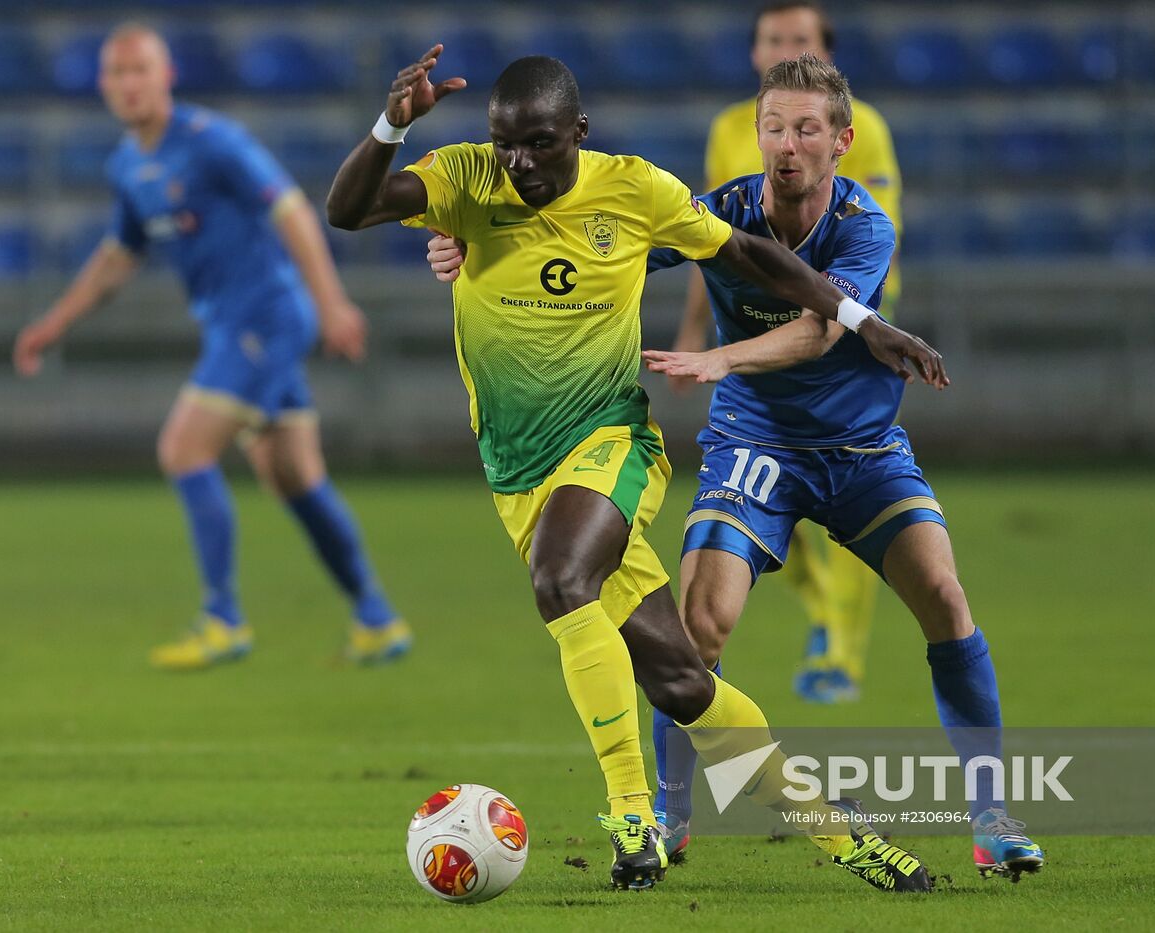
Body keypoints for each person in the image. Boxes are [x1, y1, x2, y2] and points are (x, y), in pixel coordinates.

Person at [328, 46, 944, 892]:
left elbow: (750, 257)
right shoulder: (467, 179)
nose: (522, 163)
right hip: (517, 472)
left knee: (560, 577)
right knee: (684, 681)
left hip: (609, 441)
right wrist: (393, 123)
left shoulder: (636, 190)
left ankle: (631, 814)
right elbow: (348, 207)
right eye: (507, 143)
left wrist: (856, 316)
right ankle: (847, 839)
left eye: (541, 144)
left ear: (577, 133)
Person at [13, 24, 410, 670]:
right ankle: (376, 617)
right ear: (103, 85)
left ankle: (223, 617)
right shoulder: (128, 164)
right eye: (117, 73)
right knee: (293, 477)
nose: (129, 83)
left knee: (183, 447)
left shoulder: (213, 142)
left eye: (140, 69)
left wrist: (332, 302)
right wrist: (53, 323)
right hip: (238, 324)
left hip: (267, 317)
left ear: (167, 76)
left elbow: (292, 211)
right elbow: (118, 256)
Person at [689, 0, 907, 706]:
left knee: (843, 481)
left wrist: (845, 310)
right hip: (753, 321)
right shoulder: (729, 131)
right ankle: (820, 617)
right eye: (773, 38)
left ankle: (841, 647)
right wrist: (700, 335)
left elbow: (858, 233)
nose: (786, 143)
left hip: (853, 315)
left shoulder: (862, 128)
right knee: (780, 496)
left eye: (800, 38)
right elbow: (713, 246)